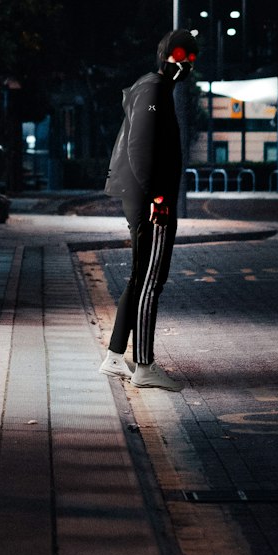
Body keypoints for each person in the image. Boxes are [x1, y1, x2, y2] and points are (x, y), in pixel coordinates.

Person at [99, 28, 196, 391]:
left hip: (144, 197)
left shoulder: (151, 87)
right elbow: (140, 148)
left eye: (192, 59)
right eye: (184, 57)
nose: (188, 65)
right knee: (152, 281)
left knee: (140, 277)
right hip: (150, 201)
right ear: (168, 56)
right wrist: (158, 197)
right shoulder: (154, 89)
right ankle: (144, 365)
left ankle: (113, 356)